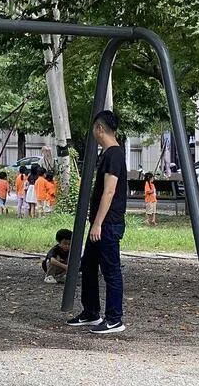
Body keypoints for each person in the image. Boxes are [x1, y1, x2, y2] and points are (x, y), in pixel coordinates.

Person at [67, 110, 128, 334]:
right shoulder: (108, 154)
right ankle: (91, 312)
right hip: (102, 222)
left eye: (94, 129)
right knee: (89, 266)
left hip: (108, 223)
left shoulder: (114, 155)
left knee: (111, 269)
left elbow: (109, 191)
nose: (93, 133)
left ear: (99, 129)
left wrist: (98, 223)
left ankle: (115, 318)